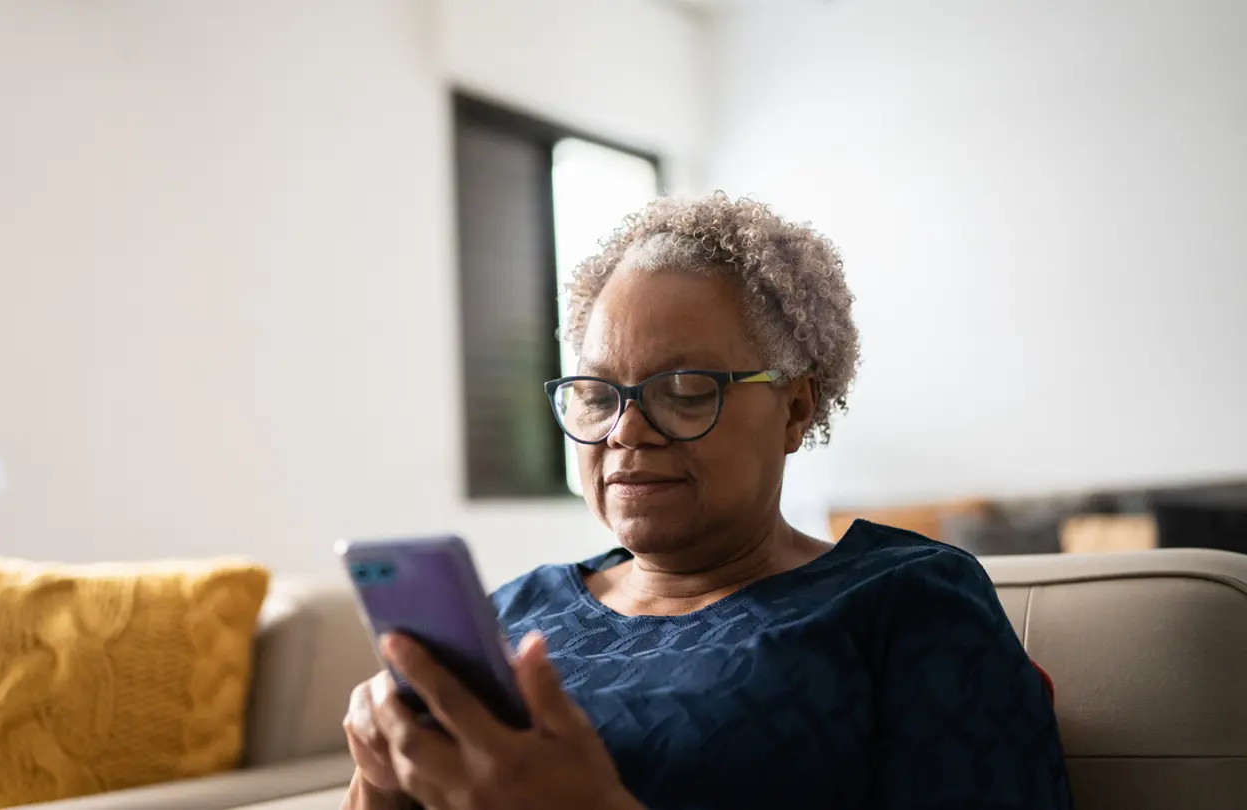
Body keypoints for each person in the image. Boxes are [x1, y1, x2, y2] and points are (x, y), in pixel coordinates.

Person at [341, 194, 1071, 810]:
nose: (626, 431)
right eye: (598, 395)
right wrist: (380, 783)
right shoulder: (510, 615)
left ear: (795, 409)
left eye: (685, 392)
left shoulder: (907, 601)